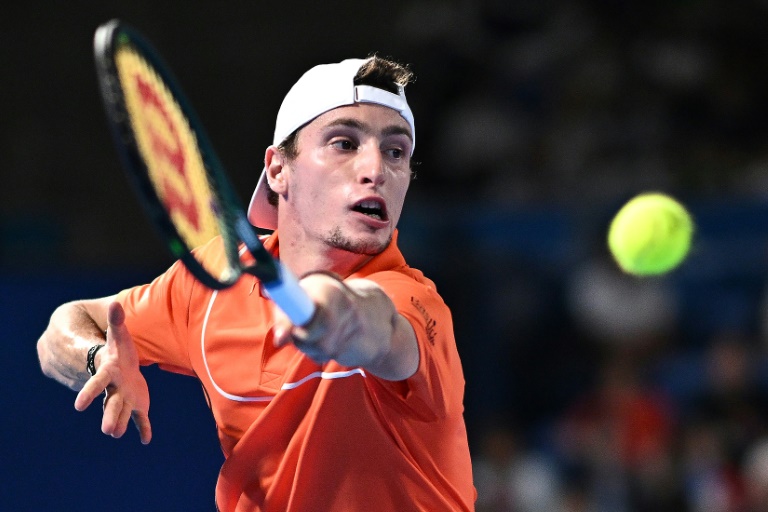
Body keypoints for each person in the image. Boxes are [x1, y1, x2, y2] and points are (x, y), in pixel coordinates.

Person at [37, 55, 476, 511]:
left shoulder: (413, 301)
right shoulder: (214, 279)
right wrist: (97, 357)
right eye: (345, 143)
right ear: (278, 170)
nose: (376, 170)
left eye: (395, 151)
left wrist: (330, 309)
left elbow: (377, 322)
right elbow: (64, 325)